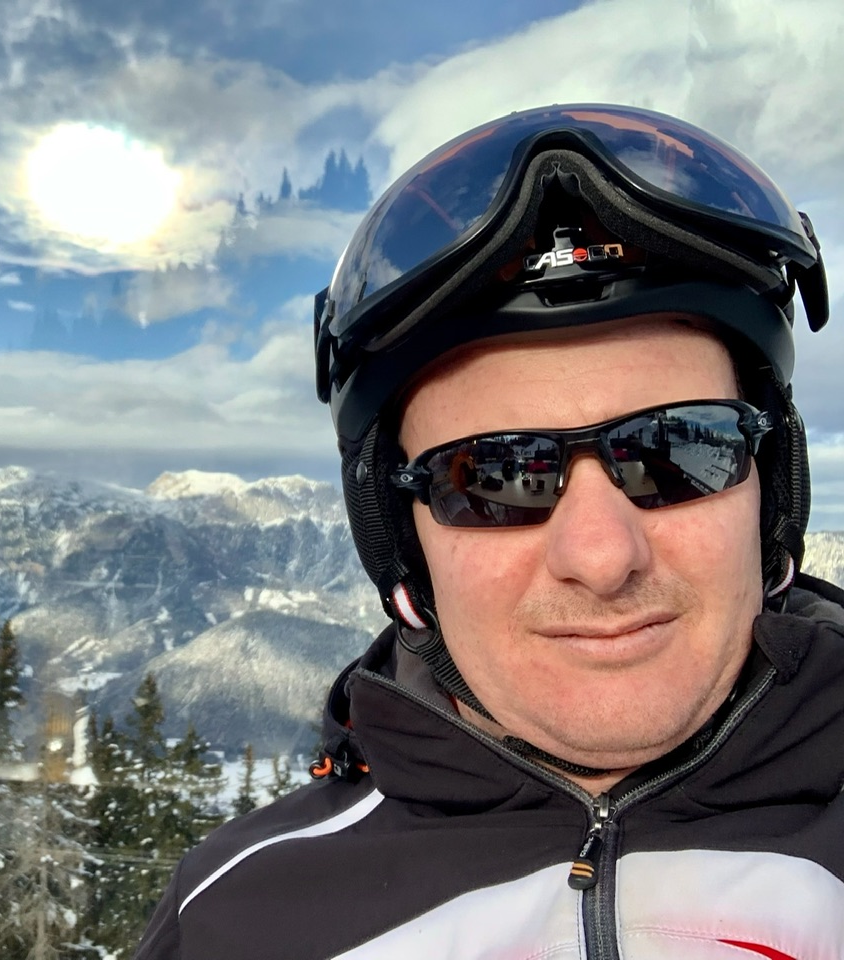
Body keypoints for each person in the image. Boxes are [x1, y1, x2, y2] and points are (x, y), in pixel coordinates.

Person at [133, 104, 844, 959]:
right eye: (494, 479)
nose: (602, 556)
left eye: (676, 451)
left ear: (770, 491)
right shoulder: (234, 919)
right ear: (402, 545)